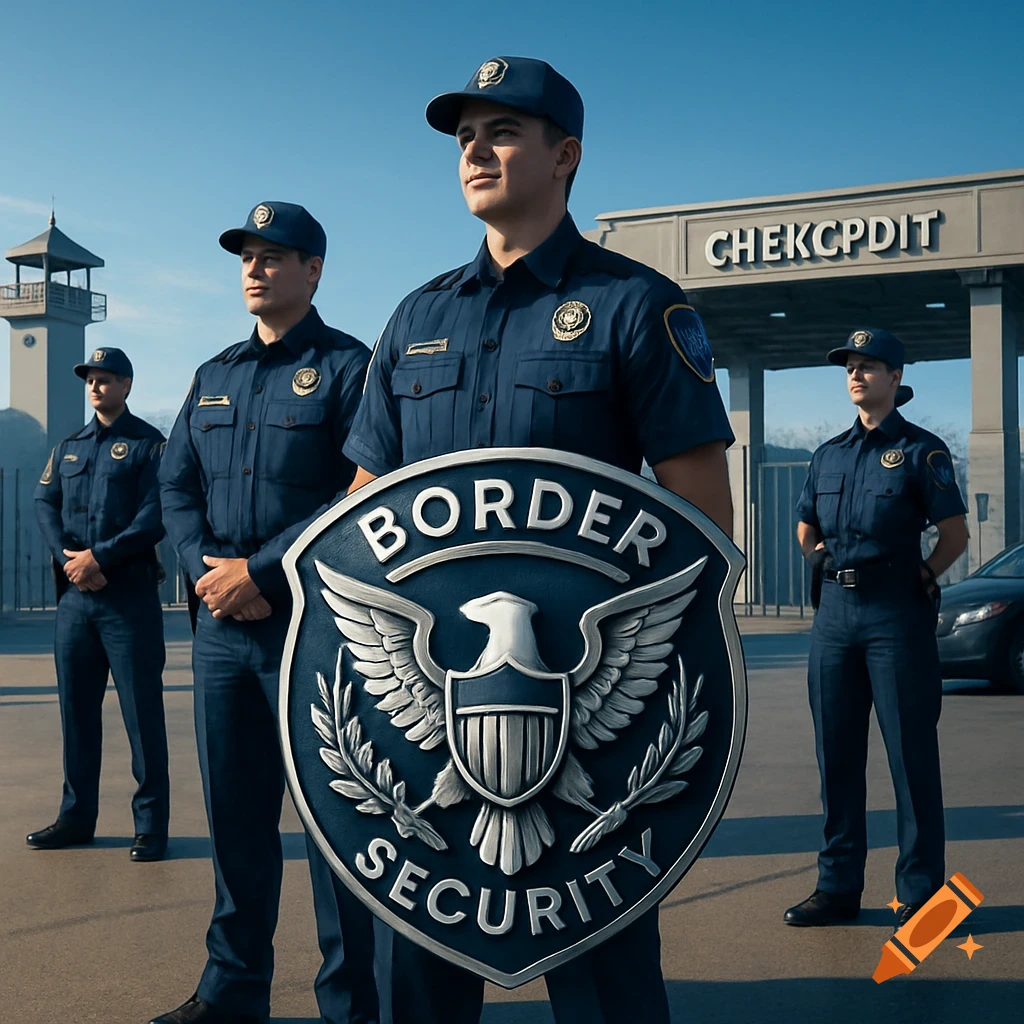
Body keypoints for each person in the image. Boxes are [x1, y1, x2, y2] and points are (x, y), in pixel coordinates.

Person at [343, 56, 735, 1024]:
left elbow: (703, 527)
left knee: (601, 979)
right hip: (431, 714)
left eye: (503, 131)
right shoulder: (415, 315)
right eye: (466, 135)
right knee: (417, 975)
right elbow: (358, 514)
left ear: (564, 156)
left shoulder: (636, 304)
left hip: (581, 740)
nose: (476, 147)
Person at [154, 203, 377, 1024]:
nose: (255, 268)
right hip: (221, 634)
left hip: (314, 630)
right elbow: (176, 485)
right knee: (236, 824)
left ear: (314, 269)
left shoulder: (351, 369)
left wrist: (261, 571)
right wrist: (204, 573)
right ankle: (232, 990)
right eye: (247, 255)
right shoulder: (213, 374)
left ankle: (352, 1002)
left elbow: (359, 498)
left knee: (335, 825)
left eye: (275, 255)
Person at [787, 328, 968, 932]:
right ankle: (837, 888)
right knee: (835, 758)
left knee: (910, 757)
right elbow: (806, 522)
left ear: (896, 378)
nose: (857, 376)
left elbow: (954, 535)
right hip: (834, 618)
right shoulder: (828, 454)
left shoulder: (923, 451)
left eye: (870, 367)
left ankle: (922, 895)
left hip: (895, 617)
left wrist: (922, 574)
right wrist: (815, 557)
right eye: (850, 368)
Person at [31, 347, 170, 862]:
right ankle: (76, 817)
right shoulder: (69, 447)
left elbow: (156, 517)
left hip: (126, 600)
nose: (96, 386)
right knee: (77, 714)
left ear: (127, 385)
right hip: (75, 603)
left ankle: (151, 828)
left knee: (142, 716)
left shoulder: (148, 446)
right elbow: (45, 501)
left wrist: (99, 559)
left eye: (107, 379)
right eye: (90, 379)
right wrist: (67, 559)